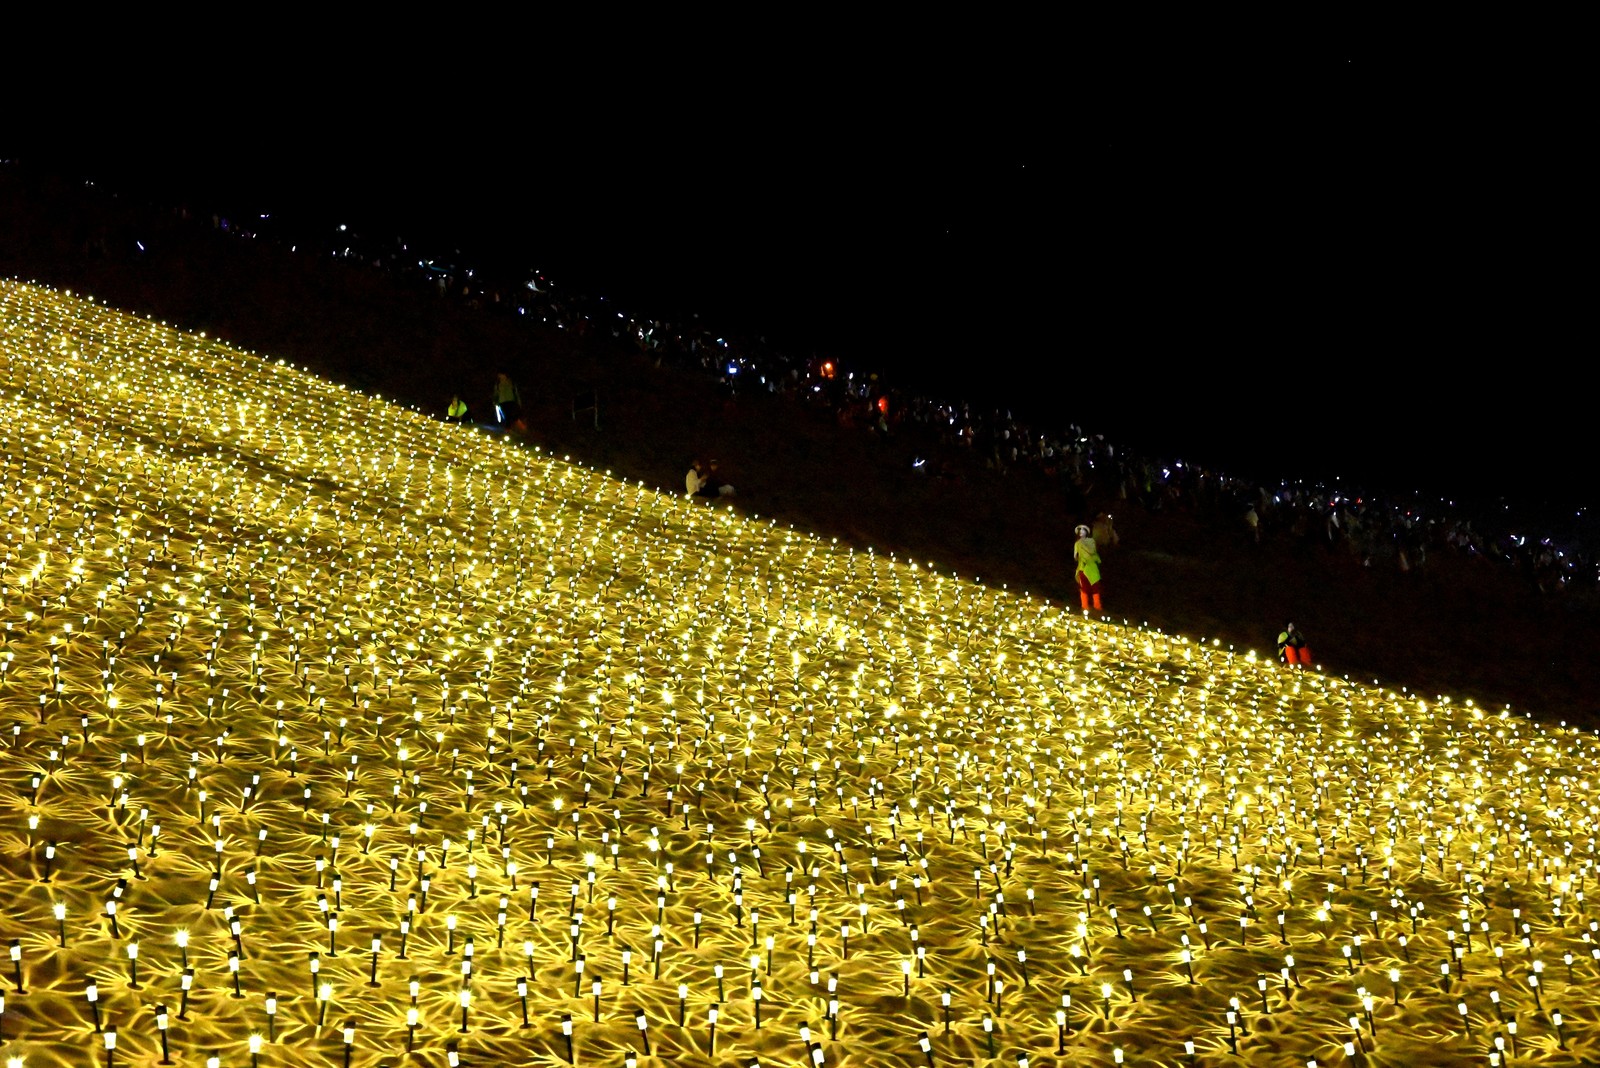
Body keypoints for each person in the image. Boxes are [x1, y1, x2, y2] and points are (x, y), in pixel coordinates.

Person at [1073, 523, 1103, 612]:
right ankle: (1084, 606)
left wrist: (1083, 546)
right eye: (1079, 530)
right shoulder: (1077, 543)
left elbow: (1092, 551)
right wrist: (1078, 556)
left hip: (1092, 567)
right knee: (1084, 587)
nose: (1081, 532)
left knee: (1095, 587)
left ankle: (1097, 606)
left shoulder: (1091, 541)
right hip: (1082, 567)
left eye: (1083, 530)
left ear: (1086, 532)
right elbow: (1075, 556)